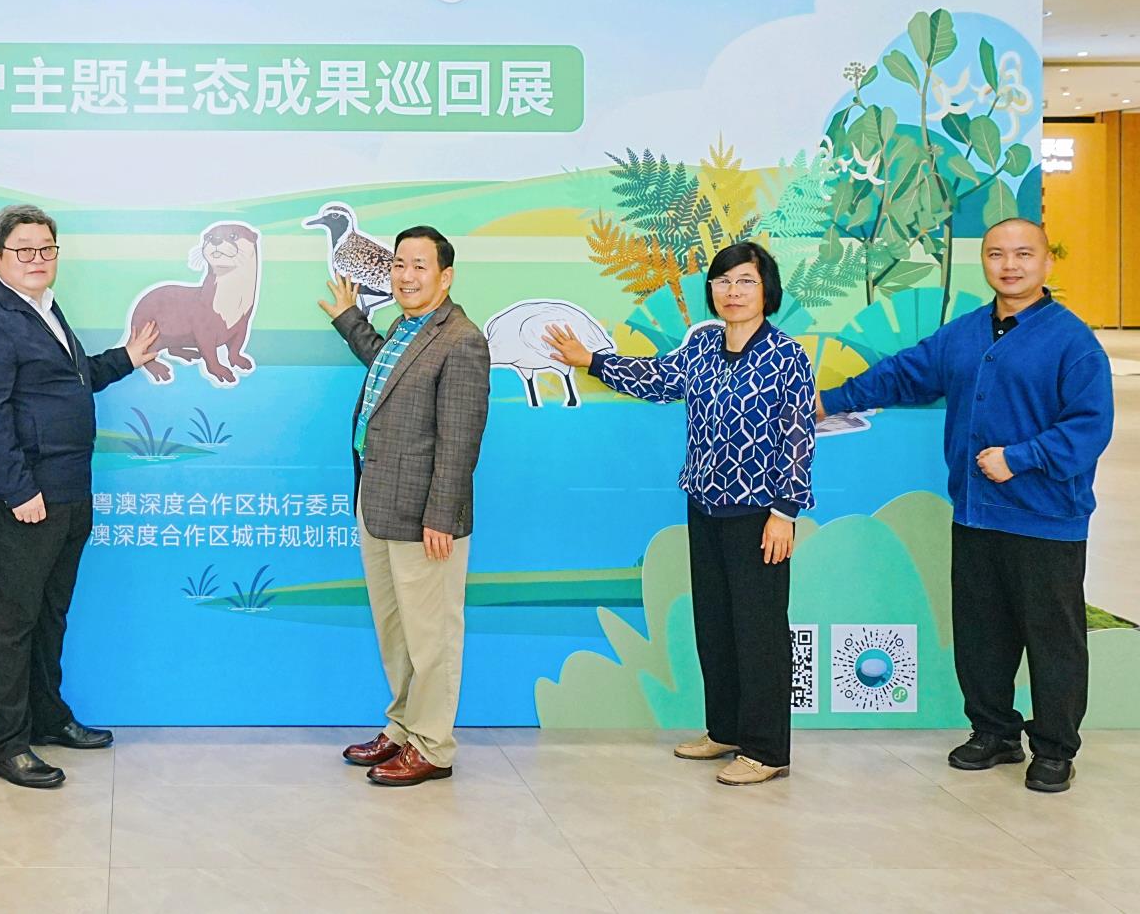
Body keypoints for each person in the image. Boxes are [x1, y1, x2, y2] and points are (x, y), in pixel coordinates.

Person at [818, 218, 1112, 794]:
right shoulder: (965, 333)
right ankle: (994, 732)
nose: (1010, 265)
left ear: (1046, 262)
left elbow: (1090, 427)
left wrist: (1021, 458)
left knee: (1052, 639)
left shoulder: (1073, 342)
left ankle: (1055, 748)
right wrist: (831, 400)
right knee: (981, 632)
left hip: (1046, 520)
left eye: (1023, 254)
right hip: (975, 513)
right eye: (997, 254)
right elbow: (904, 374)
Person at [545, 241, 814, 787]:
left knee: (759, 631)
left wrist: (784, 512)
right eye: (723, 281)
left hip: (759, 514)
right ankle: (726, 730)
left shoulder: (787, 356)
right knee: (715, 625)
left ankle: (767, 750)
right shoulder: (703, 348)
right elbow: (655, 379)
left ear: (767, 290)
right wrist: (591, 360)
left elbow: (798, 438)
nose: (733, 292)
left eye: (745, 281)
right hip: (705, 505)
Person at [0, 204, 159, 788]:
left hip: (65, 489)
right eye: (24, 250)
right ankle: (5, 745)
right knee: (9, 622)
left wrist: (124, 360)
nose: (37, 259)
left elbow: (66, 378)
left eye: (46, 248)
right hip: (15, 497)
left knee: (48, 614)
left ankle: (46, 716)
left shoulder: (42, 308)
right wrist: (19, 489)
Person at [319, 225, 490, 786]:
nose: (405, 276)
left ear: (446, 276)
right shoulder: (404, 328)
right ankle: (403, 728)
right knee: (397, 632)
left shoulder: (462, 340)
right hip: (379, 502)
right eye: (398, 264)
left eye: (419, 266)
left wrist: (441, 515)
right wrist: (349, 318)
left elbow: (460, 439)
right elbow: (385, 369)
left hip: (425, 519)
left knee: (431, 636)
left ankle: (433, 746)